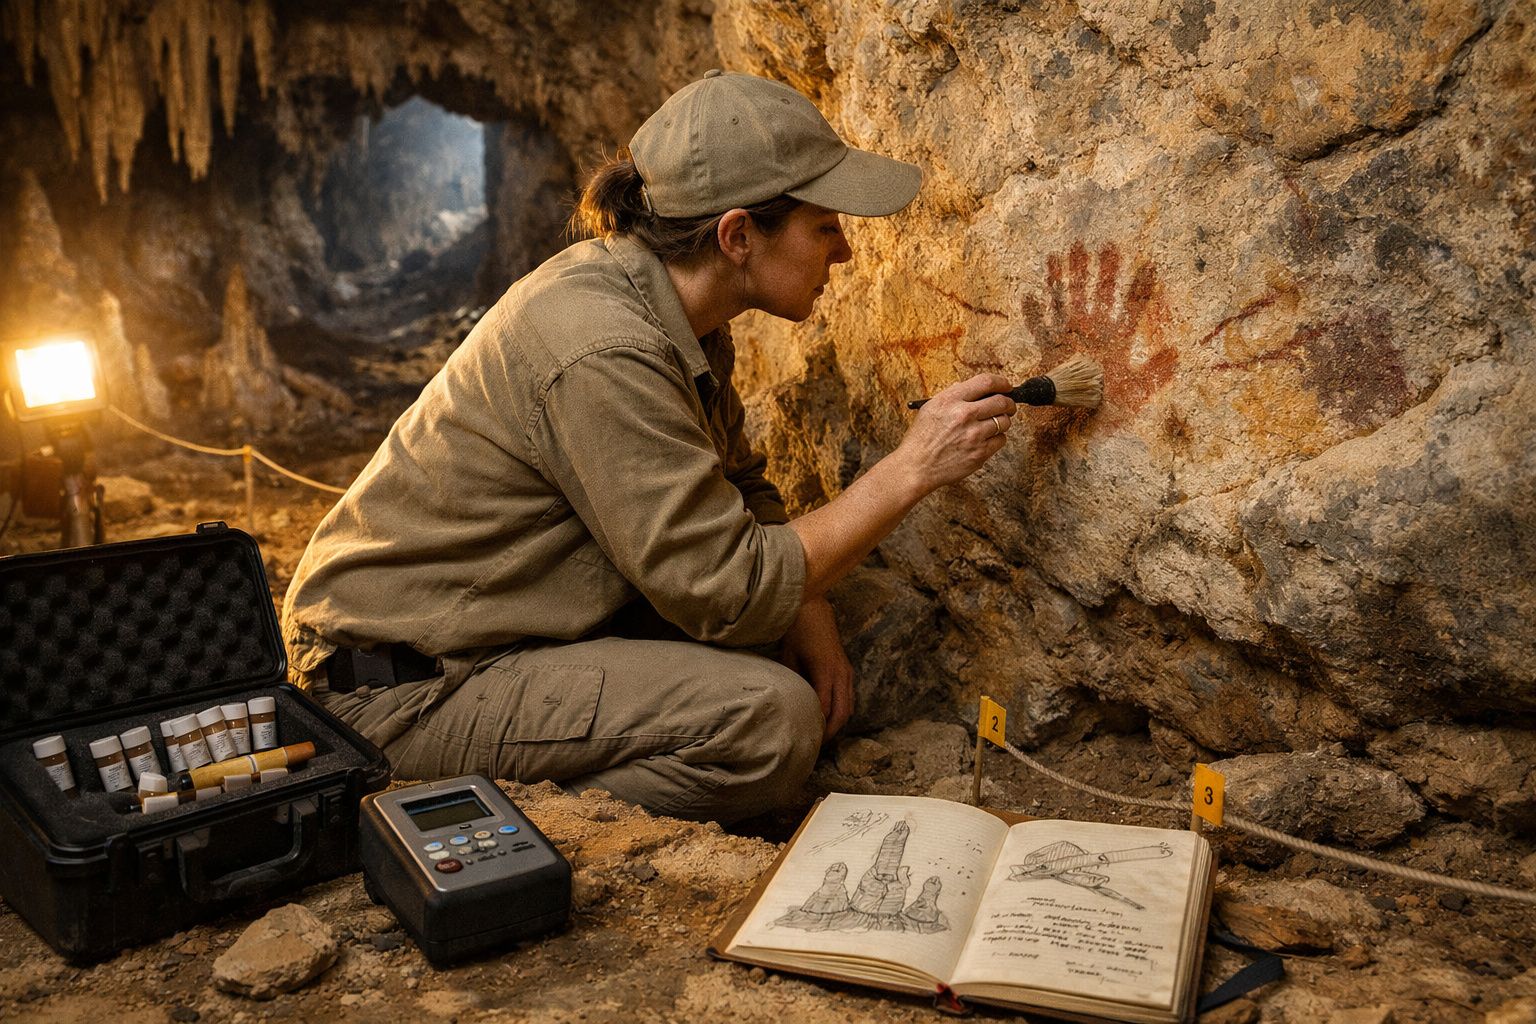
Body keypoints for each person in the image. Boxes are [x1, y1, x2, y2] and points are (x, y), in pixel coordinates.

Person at [280, 70, 1017, 823]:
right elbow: (728, 591)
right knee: (768, 721)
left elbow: (737, 484)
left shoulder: (675, 311)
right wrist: (913, 469)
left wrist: (811, 606)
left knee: (788, 634)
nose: (846, 252)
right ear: (738, 236)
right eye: (824, 227)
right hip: (400, 686)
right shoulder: (605, 348)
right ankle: (492, 817)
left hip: (487, 630)